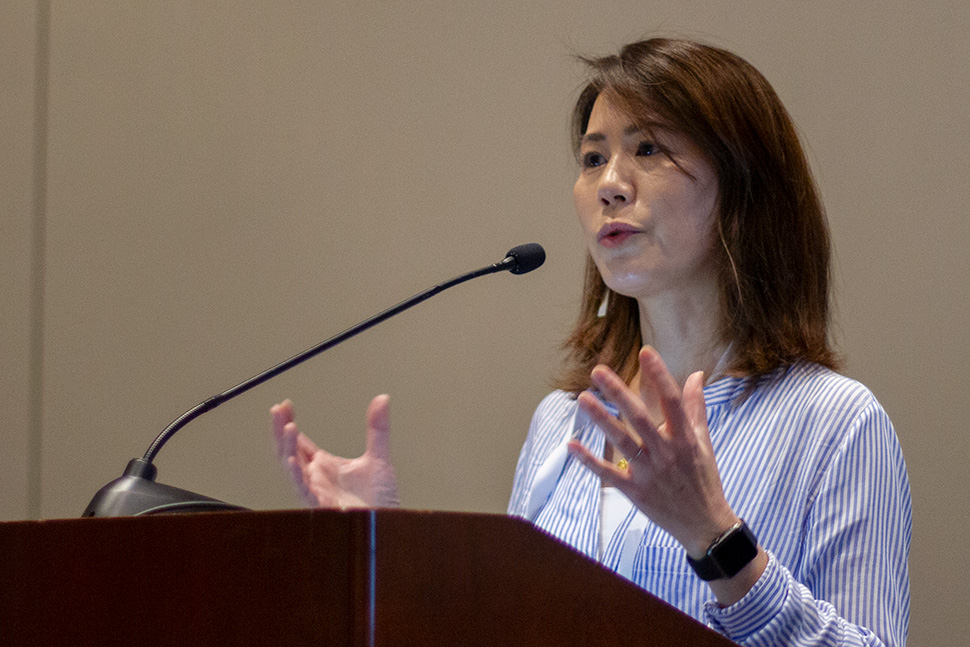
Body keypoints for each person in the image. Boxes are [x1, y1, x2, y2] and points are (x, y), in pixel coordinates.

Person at [271, 38, 910, 647]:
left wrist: (715, 540)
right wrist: (392, 553)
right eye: (593, 157)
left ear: (744, 192)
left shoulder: (836, 425)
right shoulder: (560, 426)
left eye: (650, 148)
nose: (610, 183)